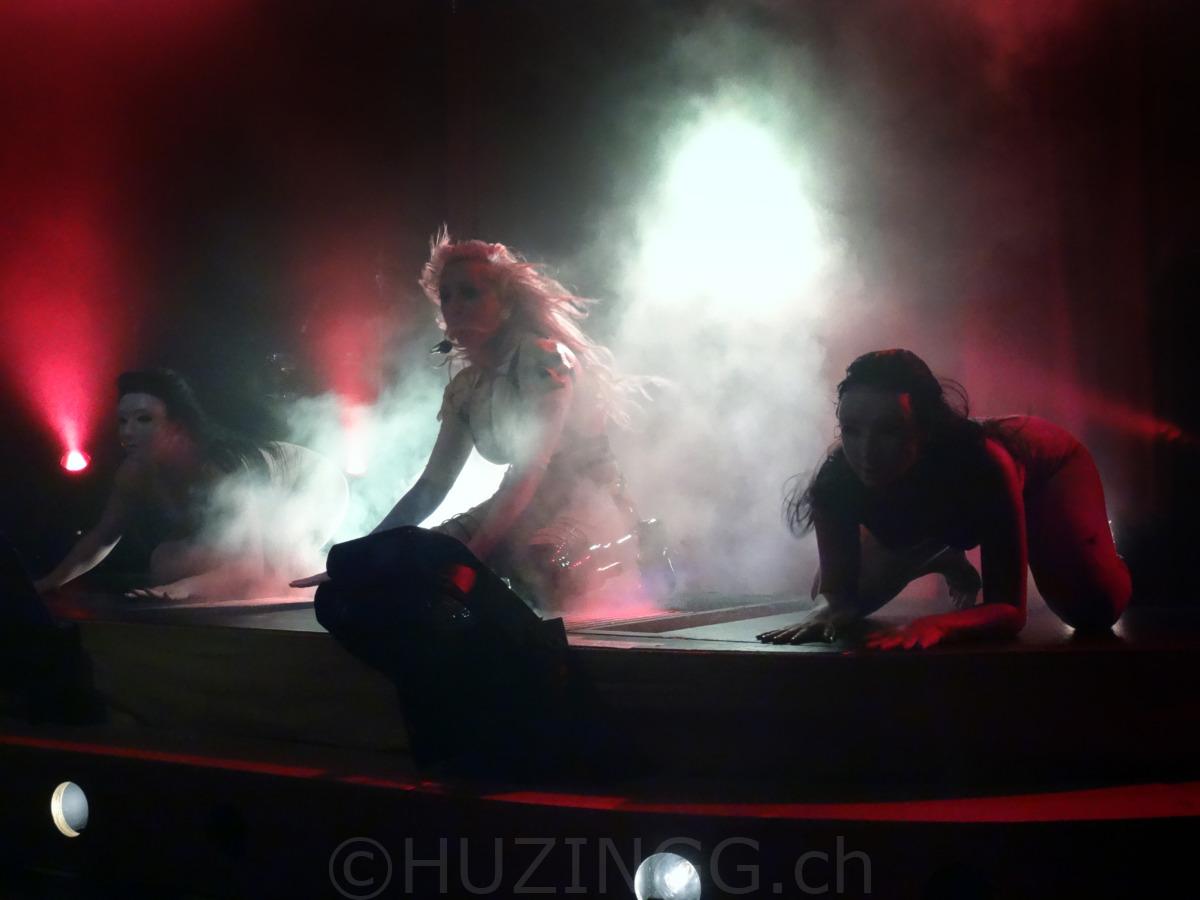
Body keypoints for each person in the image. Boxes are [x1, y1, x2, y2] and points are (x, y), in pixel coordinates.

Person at [295, 233, 649, 613]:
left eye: (470, 294)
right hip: (518, 506)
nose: (455, 307)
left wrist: (473, 559)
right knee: (412, 561)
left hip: (591, 502)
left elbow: (530, 470)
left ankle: (634, 554)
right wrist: (361, 556)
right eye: (447, 297)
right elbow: (431, 486)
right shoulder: (466, 389)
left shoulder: (544, 359)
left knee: (541, 566)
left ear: (506, 304)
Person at [758, 349, 1132, 649]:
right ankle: (942, 554)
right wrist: (828, 606)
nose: (865, 452)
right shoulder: (837, 476)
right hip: (944, 500)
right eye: (851, 430)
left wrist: (937, 625)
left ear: (926, 429)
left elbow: (1009, 610)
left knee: (1093, 611)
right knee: (834, 604)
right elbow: (835, 594)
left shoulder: (985, 463)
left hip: (1047, 474)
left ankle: (1114, 559)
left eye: (889, 431)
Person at [35, 369, 347, 602]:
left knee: (265, 575)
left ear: (176, 426)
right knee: (165, 561)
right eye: (123, 421)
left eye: (143, 420)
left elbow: (248, 564)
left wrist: (180, 590)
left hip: (314, 486)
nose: (127, 432)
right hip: (272, 500)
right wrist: (51, 581)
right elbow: (104, 535)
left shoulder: (218, 467)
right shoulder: (134, 471)